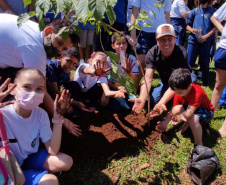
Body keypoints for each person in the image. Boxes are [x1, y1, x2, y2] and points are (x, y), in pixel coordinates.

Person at [0, 13, 81, 136]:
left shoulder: (37, 31)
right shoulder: (35, 48)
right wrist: (60, 119)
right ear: (48, 31)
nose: (59, 50)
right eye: (59, 43)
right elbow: (41, 91)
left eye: (65, 49)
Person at [0, 68, 73, 185]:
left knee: (66, 161)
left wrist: (58, 118)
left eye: (39, 89)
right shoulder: (2, 114)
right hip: (7, 167)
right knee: (51, 181)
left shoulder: (40, 114)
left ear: (44, 93)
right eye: (26, 87)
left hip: (27, 159)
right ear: (12, 89)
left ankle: (31, 174)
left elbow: (53, 150)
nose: (33, 93)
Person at [131, 24, 197, 114]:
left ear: (175, 39)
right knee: (154, 102)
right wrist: (142, 98)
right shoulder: (151, 54)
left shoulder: (181, 52)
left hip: (183, 78)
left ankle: (184, 101)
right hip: (166, 81)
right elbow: (148, 79)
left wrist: (162, 102)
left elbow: (178, 81)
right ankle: (171, 96)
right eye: (162, 39)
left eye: (170, 39)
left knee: (190, 82)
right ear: (157, 41)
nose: (166, 43)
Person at [156, 68, 214, 146]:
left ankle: (199, 144)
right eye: (175, 92)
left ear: (189, 86)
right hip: (191, 107)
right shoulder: (179, 91)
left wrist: (180, 117)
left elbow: (190, 112)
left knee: (193, 118)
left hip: (206, 111)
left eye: (180, 92)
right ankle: (185, 124)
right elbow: (174, 108)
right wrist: (165, 122)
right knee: (176, 109)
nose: (177, 94)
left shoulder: (197, 93)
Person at [130, 0, 172, 69]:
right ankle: (135, 79)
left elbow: (167, 15)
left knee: (159, 62)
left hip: (161, 32)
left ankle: (150, 79)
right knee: (141, 62)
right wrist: (133, 35)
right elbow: (134, 13)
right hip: (143, 30)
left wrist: (170, 33)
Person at [186, 0, 217, 87]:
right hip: (193, 41)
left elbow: (215, 27)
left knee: (205, 63)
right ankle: (186, 82)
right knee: (189, 62)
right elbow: (187, 25)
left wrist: (206, 36)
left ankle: (205, 83)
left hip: (206, 42)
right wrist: (192, 30)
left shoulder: (213, 11)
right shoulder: (195, 11)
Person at [210, 2, 226, 136]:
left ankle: (225, 127)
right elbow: (214, 17)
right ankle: (209, 114)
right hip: (224, 49)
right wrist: (223, 30)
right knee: (218, 85)